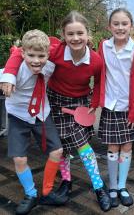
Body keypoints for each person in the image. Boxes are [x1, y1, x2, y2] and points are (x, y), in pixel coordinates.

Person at [2, 11, 111, 212]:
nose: (76, 38)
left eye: (80, 33)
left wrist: (94, 103)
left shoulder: (95, 60)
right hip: (54, 101)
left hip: (79, 103)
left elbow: (100, 82)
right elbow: (21, 52)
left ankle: (98, 188)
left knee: (83, 147)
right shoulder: (55, 51)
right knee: (61, 148)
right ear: (63, 35)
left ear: (88, 34)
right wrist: (8, 75)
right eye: (70, 34)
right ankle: (66, 182)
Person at [0, 30, 65, 215]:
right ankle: (30, 194)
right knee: (19, 159)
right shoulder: (12, 71)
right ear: (23, 54)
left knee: (57, 151)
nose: (36, 60)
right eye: (31, 55)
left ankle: (46, 191)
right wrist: (7, 78)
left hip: (42, 114)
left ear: (47, 55)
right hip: (19, 116)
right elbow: (8, 70)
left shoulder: (49, 66)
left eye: (41, 56)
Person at [98, 8, 134, 207]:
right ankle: (111, 186)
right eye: (116, 24)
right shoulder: (103, 46)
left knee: (127, 147)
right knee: (112, 148)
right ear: (109, 26)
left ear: (131, 26)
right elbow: (97, 72)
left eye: (124, 24)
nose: (120, 27)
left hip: (130, 108)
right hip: (111, 106)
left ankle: (122, 186)